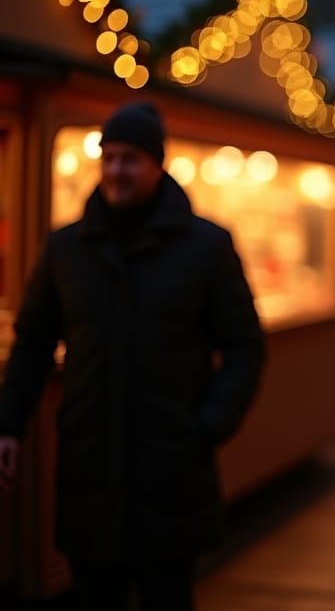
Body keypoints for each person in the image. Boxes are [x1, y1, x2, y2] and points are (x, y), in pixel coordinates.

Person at [0, 101, 265, 611]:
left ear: (157, 164)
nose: (117, 170)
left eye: (130, 159)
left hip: (171, 472)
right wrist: (9, 424)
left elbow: (244, 345)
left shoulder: (206, 247)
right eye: (109, 158)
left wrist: (209, 425)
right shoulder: (66, 249)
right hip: (91, 469)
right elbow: (33, 341)